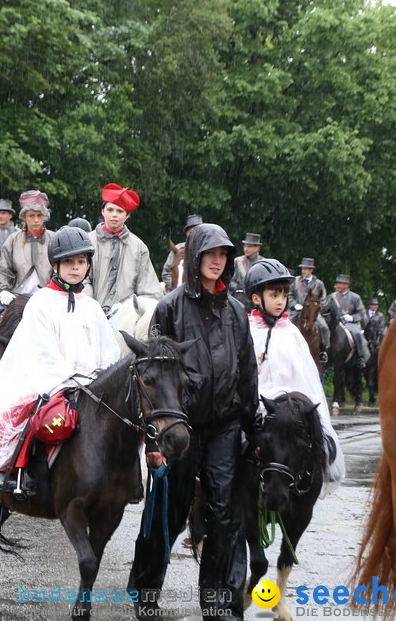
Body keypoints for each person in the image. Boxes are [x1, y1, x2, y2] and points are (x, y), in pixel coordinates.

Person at [128, 222, 258, 621]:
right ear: (196, 256)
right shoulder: (169, 308)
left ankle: (220, 605)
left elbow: (247, 370)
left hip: (224, 425)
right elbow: (150, 375)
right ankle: (145, 596)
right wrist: (153, 444)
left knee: (224, 514)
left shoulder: (237, 311)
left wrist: (252, 431)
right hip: (178, 428)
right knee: (169, 508)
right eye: (211, 254)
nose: (217, 262)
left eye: (223, 255)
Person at [0, 226, 119, 497]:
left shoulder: (92, 307)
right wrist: (69, 380)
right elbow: (42, 353)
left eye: (81, 262)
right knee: (43, 413)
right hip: (44, 379)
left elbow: (109, 351)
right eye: (69, 262)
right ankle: (19, 471)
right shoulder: (41, 303)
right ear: (56, 265)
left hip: (88, 384)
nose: (75, 268)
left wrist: (101, 380)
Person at [244, 259, 344, 490]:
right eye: (274, 296)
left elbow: (304, 379)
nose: (280, 302)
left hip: (285, 408)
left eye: (283, 295)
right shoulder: (246, 330)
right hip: (253, 405)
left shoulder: (291, 334)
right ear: (256, 298)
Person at [88, 183, 163, 316]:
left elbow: (149, 291)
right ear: (102, 211)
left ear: (127, 215)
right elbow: (81, 281)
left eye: (120, 211)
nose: (114, 215)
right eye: (110, 210)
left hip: (125, 320)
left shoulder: (139, 247)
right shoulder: (88, 242)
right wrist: (90, 307)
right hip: (90, 315)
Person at [0, 190, 54, 305]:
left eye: (39, 215)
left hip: (49, 299)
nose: (36, 220)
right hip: (16, 298)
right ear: (24, 217)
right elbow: (2, 269)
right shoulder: (13, 240)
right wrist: (1, 291)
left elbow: (61, 271)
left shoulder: (54, 239)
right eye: (31, 215)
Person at [288, 257, 330, 363]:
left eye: (305, 269)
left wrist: (317, 308)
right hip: (296, 310)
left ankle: (323, 351)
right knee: (285, 323)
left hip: (313, 312)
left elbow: (324, 299)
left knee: (324, 327)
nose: (303, 271)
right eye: (302, 269)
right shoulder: (295, 281)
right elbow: (289, 296)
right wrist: (295, 305)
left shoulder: (319, 284)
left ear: (311, 270)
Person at [325, 274, 370, 369]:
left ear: (346, 285)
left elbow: (361, 314)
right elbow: (324, 310)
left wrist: (352, 318)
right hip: (334, 323)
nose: (336, 286)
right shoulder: (332, 297)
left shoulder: (355, 297)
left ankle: (360, 357)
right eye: (336, 283)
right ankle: (323, 353)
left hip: (349, 324)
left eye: (339, 284)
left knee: (357, 334)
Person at [160, 214, 202, 287]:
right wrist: (175, 285)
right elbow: (166, 273)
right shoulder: (178, 249)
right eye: (191, 232)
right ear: (186, 233)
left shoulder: (208, 250)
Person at [226, 232, 264, 303]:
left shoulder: (263, 263)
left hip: (257, 299)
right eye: (245, 246)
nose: (246, 249)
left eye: (249, 247)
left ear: (257, 248)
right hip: (239, 299)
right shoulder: (237, 261)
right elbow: (230, 280)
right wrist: (239, 288)